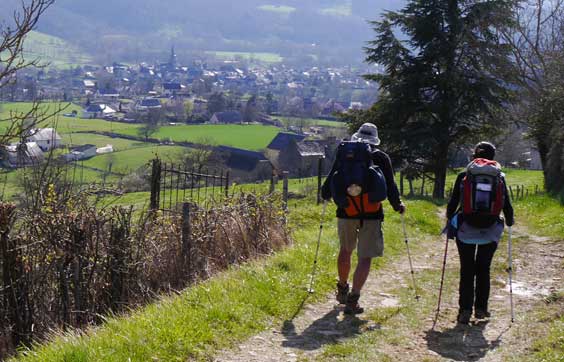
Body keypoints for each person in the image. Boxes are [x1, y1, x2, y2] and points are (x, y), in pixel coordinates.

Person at [322, 122, 405, 315]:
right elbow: (390, 185)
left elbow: (331, 177)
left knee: (345, 250)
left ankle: (342, 288)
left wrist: (326, 194)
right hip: (372, 213)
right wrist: (397, 205)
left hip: (346, 210)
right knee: (365, 257)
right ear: (375, 140)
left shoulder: (345, 153)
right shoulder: (381, 157)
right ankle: (353, 299)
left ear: (357, 136)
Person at [446, 141, 514, 324]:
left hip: (466, 228)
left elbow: (452, 204)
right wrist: (509, 220)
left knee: (467, 270)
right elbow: (506, 204)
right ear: (493, 157)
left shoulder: (464, 175)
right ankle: (481, 309)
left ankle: (464, 311)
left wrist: (450, 219)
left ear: (474, 156)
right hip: (490, 229)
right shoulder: (499, 176)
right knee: (483, 268)